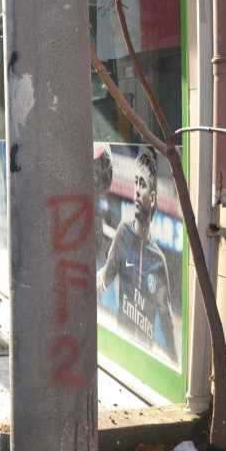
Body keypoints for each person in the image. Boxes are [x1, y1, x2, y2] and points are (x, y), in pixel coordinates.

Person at [97, 146, 177, 362]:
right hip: (120, 349)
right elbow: (105, 277)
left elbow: (166, 321)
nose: (136, 191)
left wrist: (173, 360)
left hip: (145, 357)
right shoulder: (123, 232)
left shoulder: (158, 260)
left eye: (141, 185)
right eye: (135, 184)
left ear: (152, 197)